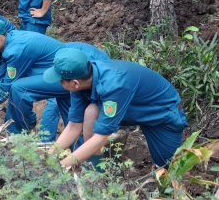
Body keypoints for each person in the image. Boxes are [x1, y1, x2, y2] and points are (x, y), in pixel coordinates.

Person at [0, 17, 109, 143]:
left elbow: (7, 85)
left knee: (19, 88)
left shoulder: (17, 50)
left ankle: (17, 134)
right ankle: (79, 156)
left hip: (66, 79)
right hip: (62, 79)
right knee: (72, 120)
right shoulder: (12, 40)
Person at [44, 48, 188, 168]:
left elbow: (101, 137)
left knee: (167, 169)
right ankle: (95, 173)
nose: (58, 83)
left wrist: (62, 166)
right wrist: (47, 160)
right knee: (91, 111)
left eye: (60, 80)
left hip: (161, 114)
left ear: (75, 83)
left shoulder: (114, 85)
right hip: (130, 108)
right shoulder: (80, 82)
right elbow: (74, 126)